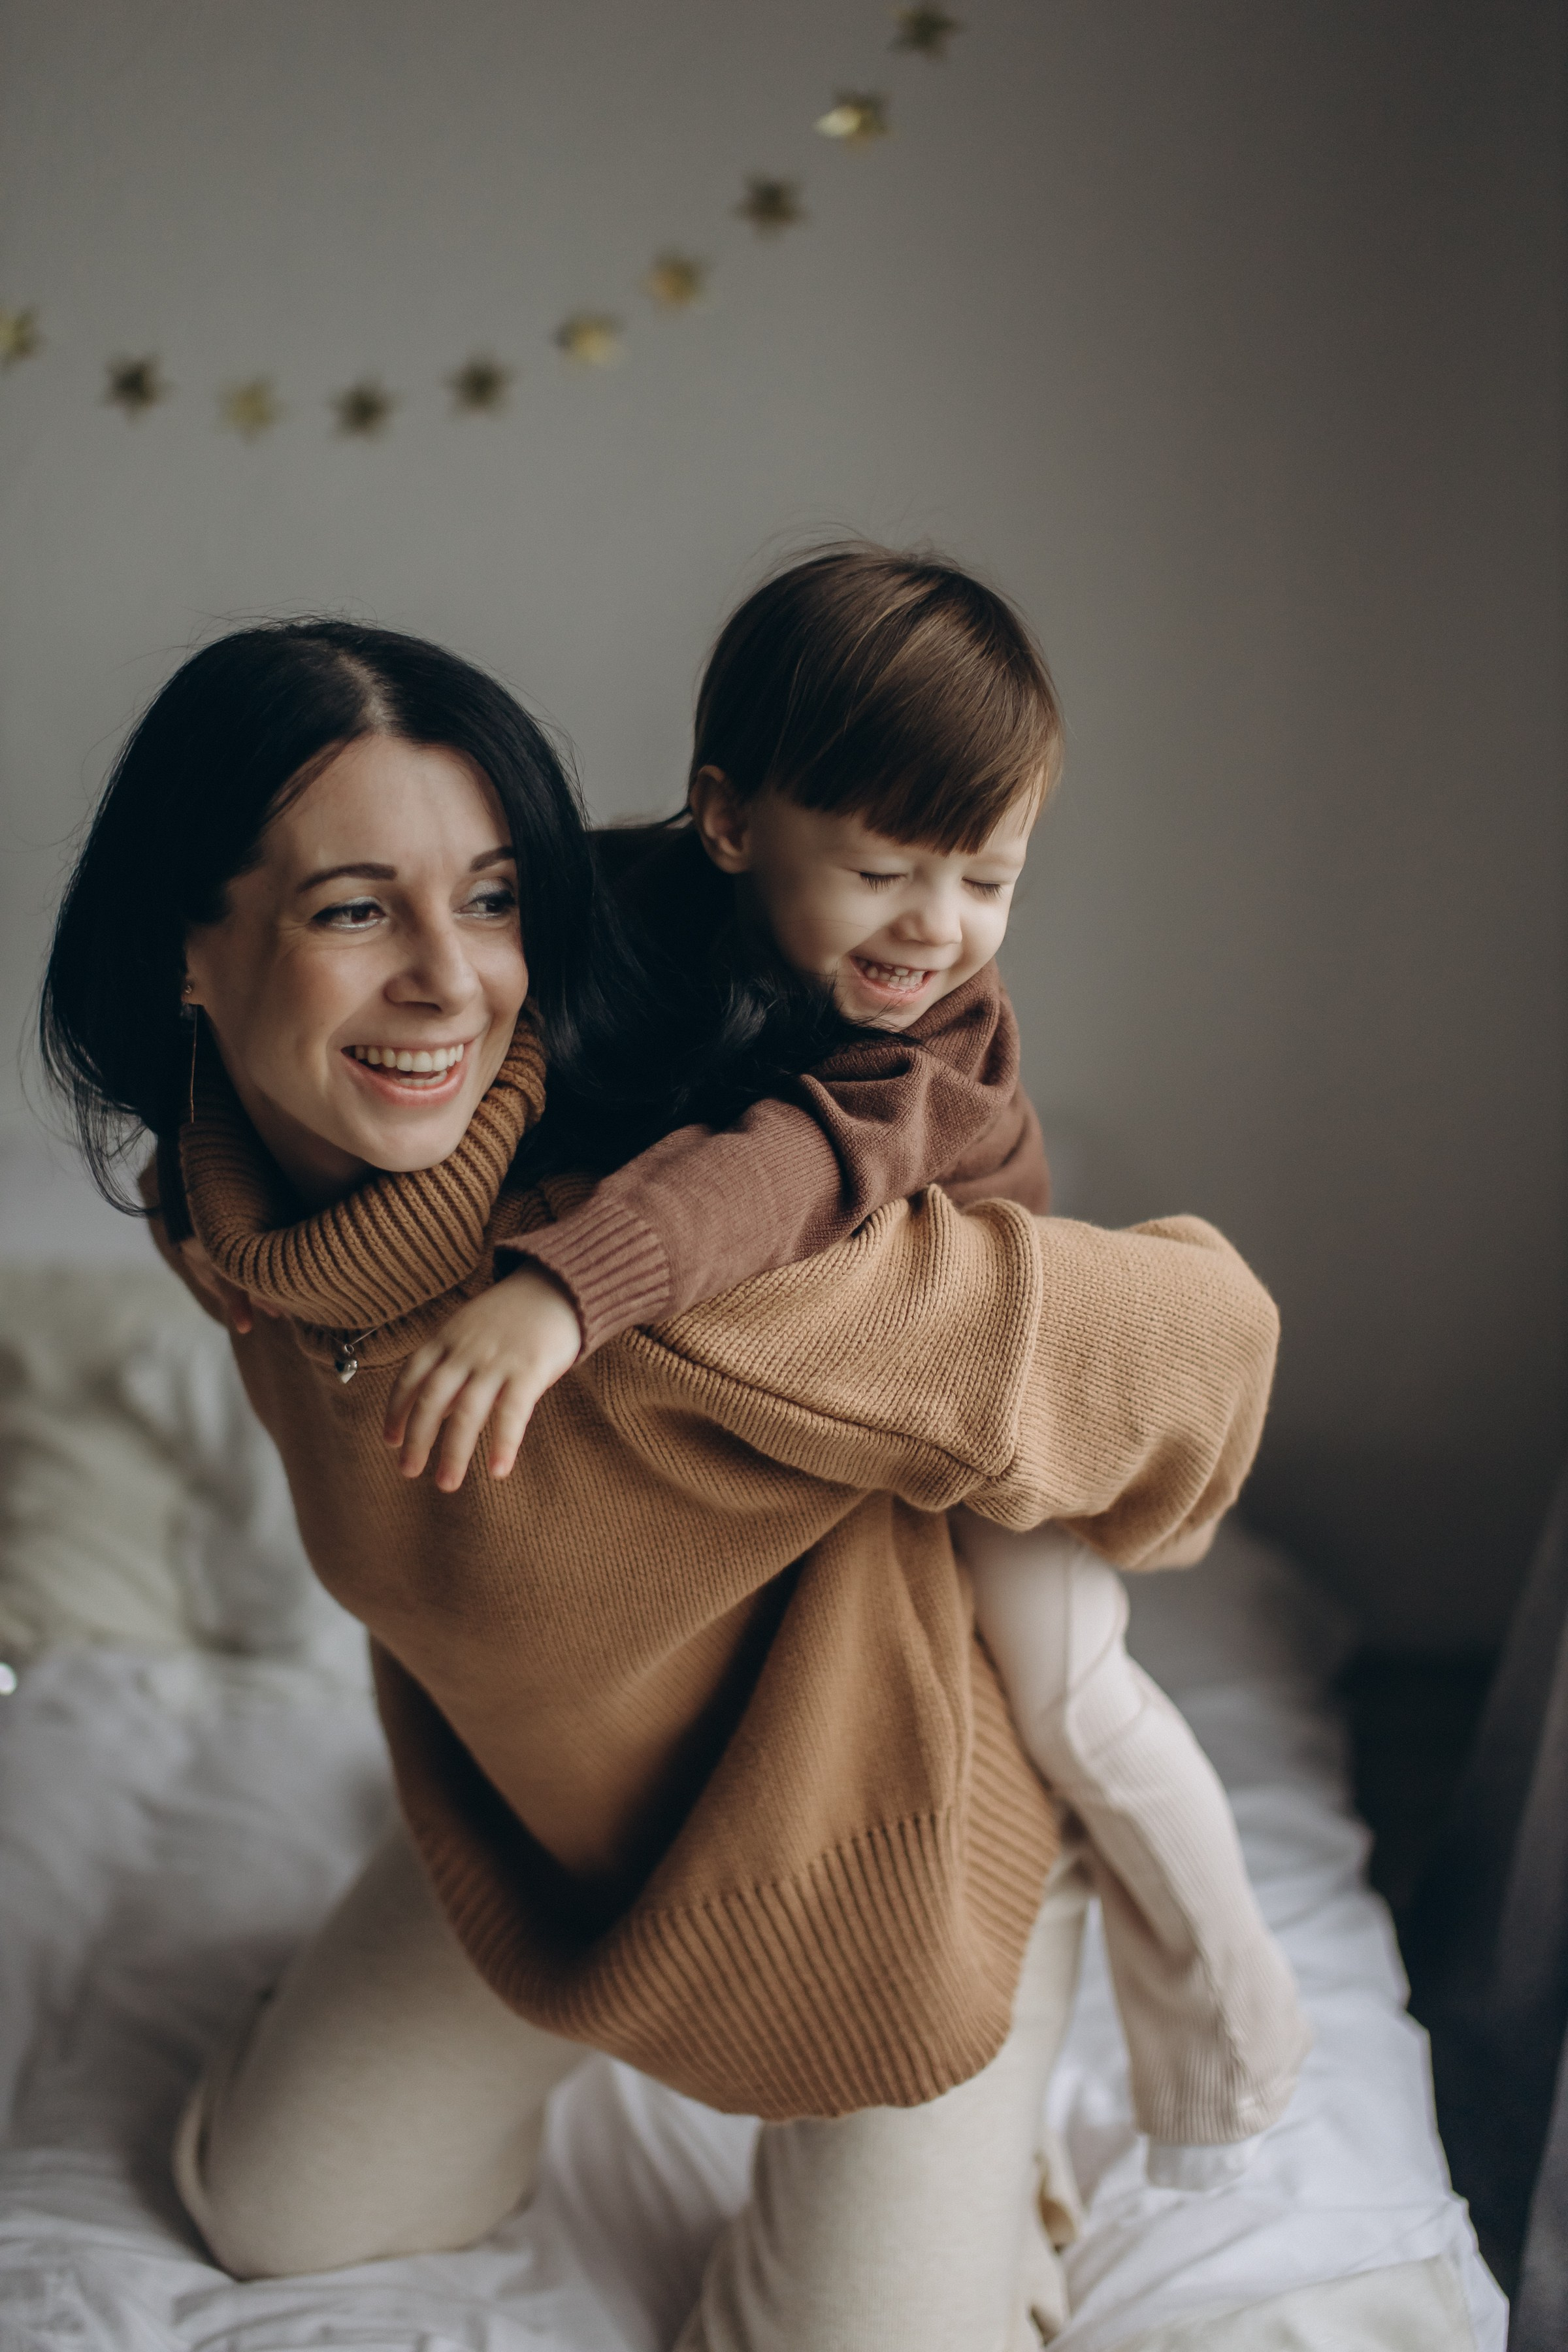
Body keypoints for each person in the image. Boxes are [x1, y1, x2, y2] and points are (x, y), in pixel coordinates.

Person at [40, 616, 1281, 2349]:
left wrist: (580, 1293)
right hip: (557, 1831)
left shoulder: (671, 1267)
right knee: (268, 2219)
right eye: (351, 909)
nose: (453, 979)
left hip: (870, 1832)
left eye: (491, 900)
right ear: (192, 946)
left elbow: (1211, 1344)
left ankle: (1022, 2063)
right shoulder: (228, 1220)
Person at [383, 547, 1310, 2185]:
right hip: (781, 1457)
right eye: (887, 869)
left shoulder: (934, 1048)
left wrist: (559, 1289)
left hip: (968, 1427)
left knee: (1082, 1695)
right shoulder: (606, 917)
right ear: (729, 821)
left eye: (990, 877)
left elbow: (780, 1175)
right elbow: (468, 1007)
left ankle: (1226, 2055)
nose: (940, 928)